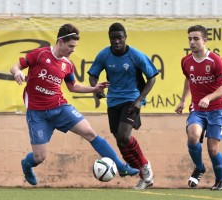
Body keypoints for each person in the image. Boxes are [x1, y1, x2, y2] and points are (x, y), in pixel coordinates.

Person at [10, 23, 139, 186]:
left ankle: (122, 167)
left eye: (75, 46)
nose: (73, 50)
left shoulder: (68, 64)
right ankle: (26, 165)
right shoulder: (40, 54)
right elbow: (15, 66)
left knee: (90, 133)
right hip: (37, 113)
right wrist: (18, 72)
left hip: (60, 107)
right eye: (71, 46)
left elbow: (72, 86)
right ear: (60, 42)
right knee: (39, 157)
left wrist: (94, 89)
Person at [87, 22, 158, 190]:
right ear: (109, 39)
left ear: (125, 37)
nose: (117, 41)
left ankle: (145, 167)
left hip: (132, 99)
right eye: (113, 38)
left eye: (120, 37)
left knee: (125, 136)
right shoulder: (104, 55)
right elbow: (93, 76)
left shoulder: (135, 55)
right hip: (113, 101)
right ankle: (144, 176)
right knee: (120, 141)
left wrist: (140, 99)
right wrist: (95, 90)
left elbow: (152, 78)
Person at [175, 25, 222, 190]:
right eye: (190, 39)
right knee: (192, 136)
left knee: (212, 149)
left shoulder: (216, 61)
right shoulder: (185, 61)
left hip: (218, 110)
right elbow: (188, 79)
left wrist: (208, 97)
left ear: (205, 40)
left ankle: (220, 181)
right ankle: (199, 168)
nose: (192, 42)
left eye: (196, 38)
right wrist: (183, 100)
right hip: (198, 110)